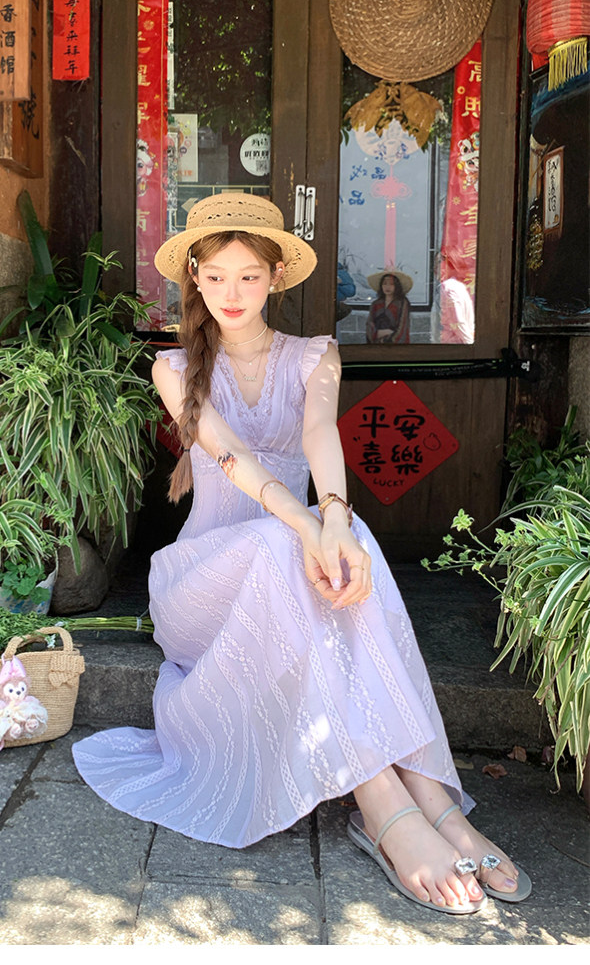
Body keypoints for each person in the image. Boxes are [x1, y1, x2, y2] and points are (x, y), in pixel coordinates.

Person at [72, 193, 530, 914]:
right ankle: (382, 803)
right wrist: (312, 527)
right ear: (193, 277)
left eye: (248, 276)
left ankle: (431, 797)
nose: (231, 293)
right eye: (215, 276)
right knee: (282, 538)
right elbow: (231, 458)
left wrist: (337, 519)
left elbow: (319, 434)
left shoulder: (316, 355)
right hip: (202, 587)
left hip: (291, 570)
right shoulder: (174, 367)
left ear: (277, 276)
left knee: (343, 537)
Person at [366, 269, 412, 344]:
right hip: (376, 345)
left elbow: (403, 327)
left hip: (397, 346)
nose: (387, 287)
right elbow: (369, 324)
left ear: (397, 286)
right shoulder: (375, 304)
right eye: (384, 284)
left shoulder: (402, 303)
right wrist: (378, 333)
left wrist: (389, 338)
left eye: (391, 284)